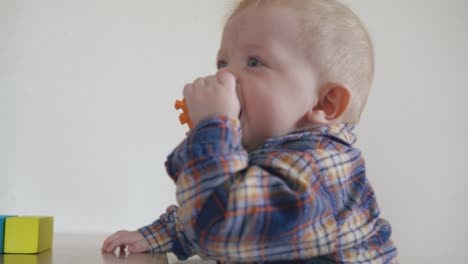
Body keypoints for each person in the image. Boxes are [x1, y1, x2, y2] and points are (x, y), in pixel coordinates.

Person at [102, 0, 398, 262]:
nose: (223, 75)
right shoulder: (265, 156)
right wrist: (160, 236)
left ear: (325, 102)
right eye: (222, 62)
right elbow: (219, 202)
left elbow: (223, 225)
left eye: (254, 62)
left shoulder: (324, 172)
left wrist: (213, 128)